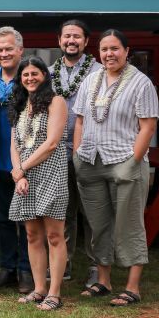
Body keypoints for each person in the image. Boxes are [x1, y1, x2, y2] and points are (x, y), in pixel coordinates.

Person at [72, 29, 158, 307]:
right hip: (91, 161)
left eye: (115, 49)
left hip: (125, 161)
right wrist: (77, 154)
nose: (109, 54)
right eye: (105, 49)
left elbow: (148, 127)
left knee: (129, 224)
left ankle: (132, 286)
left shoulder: (141, 83)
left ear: (126, 50)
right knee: (99, 225)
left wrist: (133, 161)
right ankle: (104, 280)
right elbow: (81, 121)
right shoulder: (90, 80)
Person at [9, 57, 69, 311]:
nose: (30, 78)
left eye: (35, 73)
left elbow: (52, 142)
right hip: (26, 176)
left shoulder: (56, 102)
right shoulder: (20, 104)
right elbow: (15, 143)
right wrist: (19, 173)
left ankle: (54, 293)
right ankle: (39, 288)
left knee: (54, 235)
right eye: (25, 75)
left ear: (45, 75)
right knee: (32, 234)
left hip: (51, 171)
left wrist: (22, 167)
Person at [51, 19, 102, 287]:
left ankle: (96, 266)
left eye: (77, 37)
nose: (71, 41)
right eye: (67, 36)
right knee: (63, 210)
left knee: (92, 211)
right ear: (59, 40)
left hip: (89, 151)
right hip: (57, 153)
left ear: (86, 41)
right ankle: (64, 263)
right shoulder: (48, 73)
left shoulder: (99, 72)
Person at [0, 27, 33, 294]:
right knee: (3, 218)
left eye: (9, 49)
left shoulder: (31, 79)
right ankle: (7, 268)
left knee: (27, 220)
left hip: (25, 163)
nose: (4, 53)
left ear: (20, 50)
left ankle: (27, 270)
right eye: (0, 49)